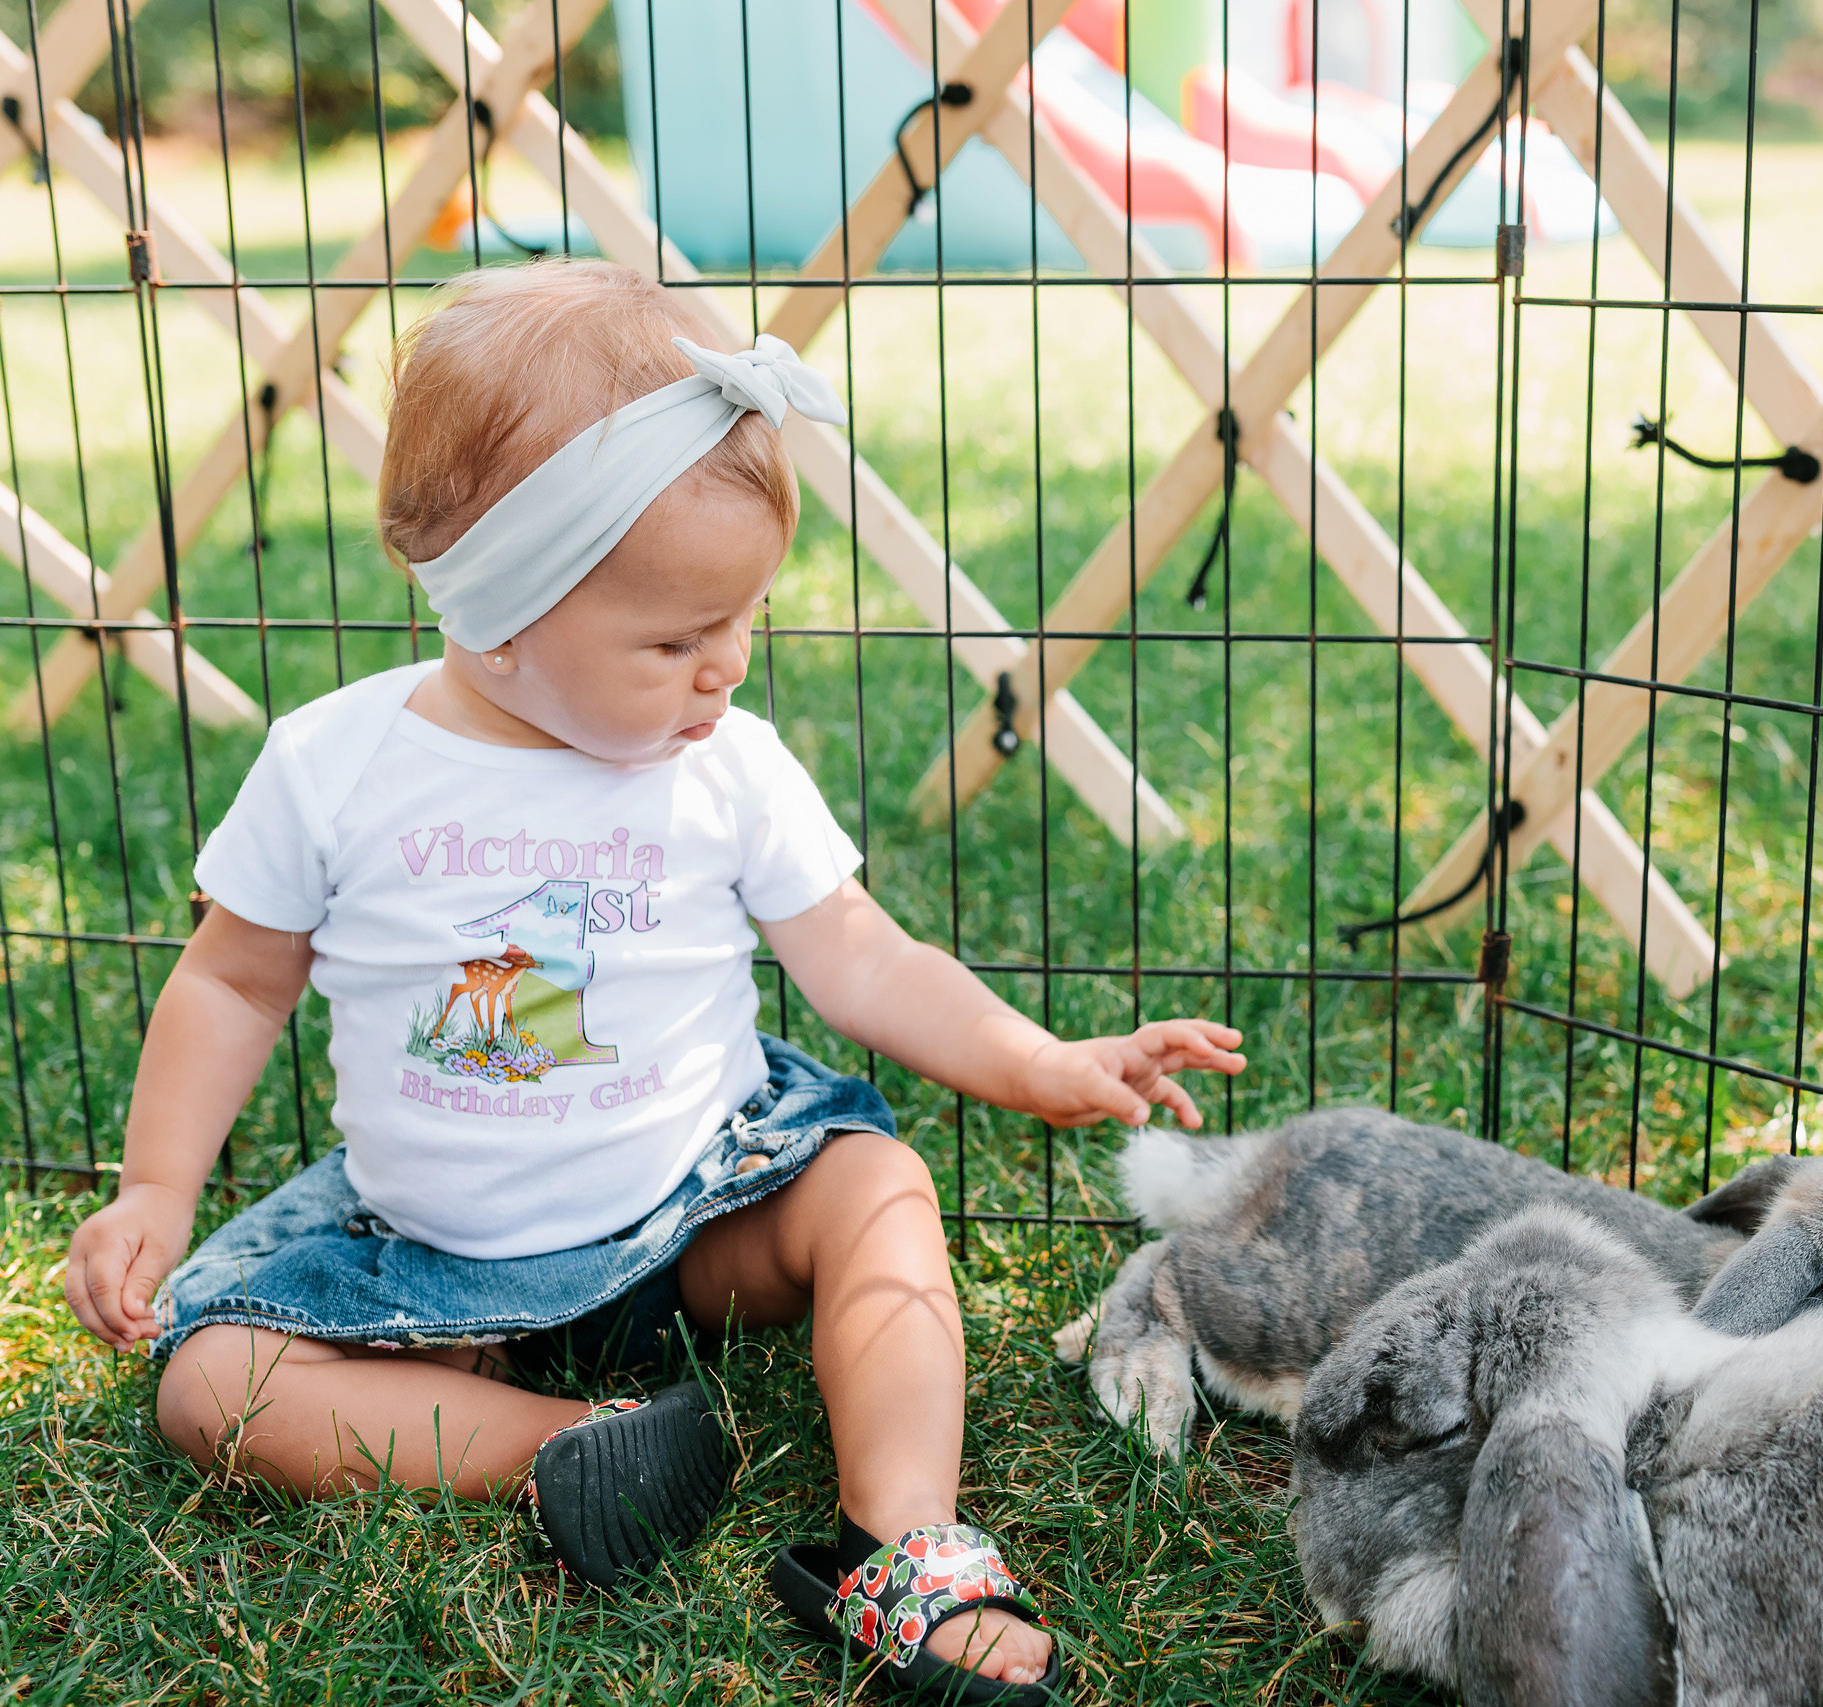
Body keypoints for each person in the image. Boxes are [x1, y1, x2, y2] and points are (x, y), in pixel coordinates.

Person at [62, 259, 1244, 1701]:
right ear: (499, 614)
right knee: (207, 1387)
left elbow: (862, 958)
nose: (727, 668)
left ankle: (906, 1544)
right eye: (678, 640)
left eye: (742, 619)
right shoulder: (334, 766)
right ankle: (563, 1450)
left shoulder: (726, 765)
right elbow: (232, 986)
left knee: (875, 1185)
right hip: (430, 1260)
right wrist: (155, 1190)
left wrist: (1041, 1059)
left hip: (701, 1216)